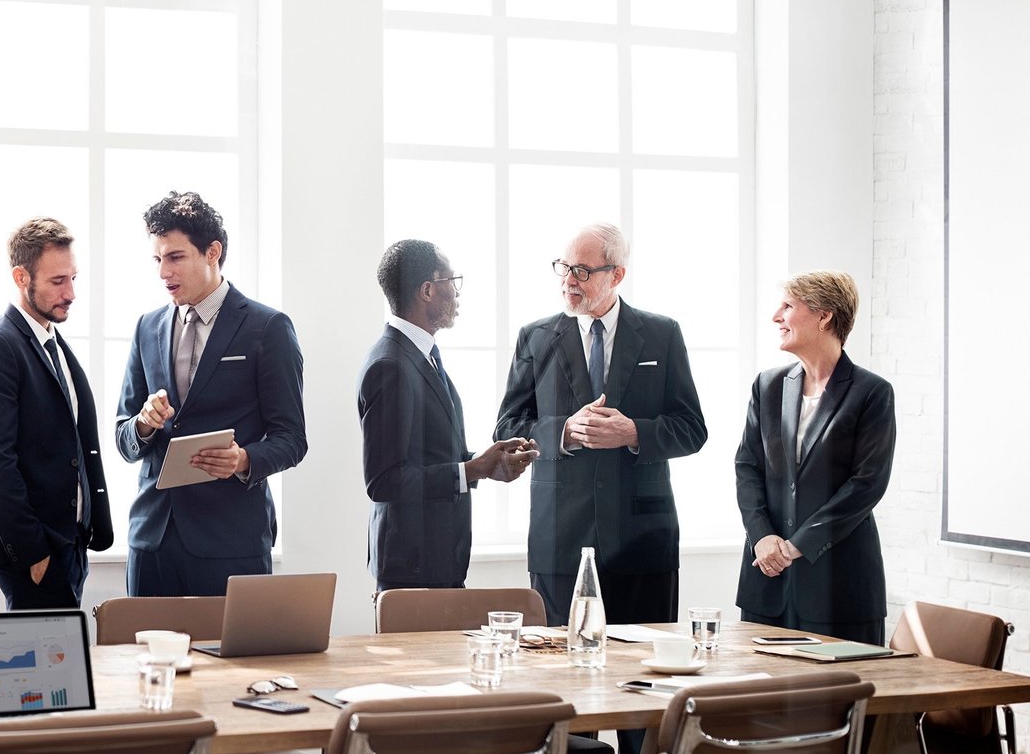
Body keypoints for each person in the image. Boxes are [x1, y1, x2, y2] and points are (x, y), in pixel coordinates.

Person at [494, 223, 707, 627]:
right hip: (559, 539)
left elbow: (692, 427)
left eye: (583, 271)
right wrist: (564, 431)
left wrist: (634, 433)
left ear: (617, 274)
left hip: (643, 541)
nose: (569, 281)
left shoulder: (663, 334)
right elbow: (507, 427)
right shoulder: (535, 337)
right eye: (564, 267)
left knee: (644, 674)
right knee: (558, 667)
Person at [115, 191, 308, 597]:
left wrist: (243, 460)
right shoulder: (146, 327)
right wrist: (144, 425)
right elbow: (124, 437)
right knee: (149, 662)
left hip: (230, 541)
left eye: (175, 257)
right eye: (157, 259)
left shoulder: (267, 328)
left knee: (234, 662)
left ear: (212, 252)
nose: (163, 271)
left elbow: (292, 439)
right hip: (152, 540)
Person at [361, 240, 537, 590]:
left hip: (436, 561)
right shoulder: (390, 365)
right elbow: (383, 481)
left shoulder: (422, 355)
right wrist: (472, 469)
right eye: (452, 283)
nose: (457, 295)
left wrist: (486, 465)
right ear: (427, 290)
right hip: (411, 568)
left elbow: (430, 455)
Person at [735, 272, 895, 646]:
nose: (777, 316)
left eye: (788, 306)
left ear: (824, 315)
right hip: (767, 580)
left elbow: (866, 484)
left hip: (840, 589)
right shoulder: (767, 385)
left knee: (838, 701)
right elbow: (747, 467)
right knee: (761, 698)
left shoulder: (872, 393)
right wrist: (762, 537)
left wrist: (797, 545)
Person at [0, 219, 114, 610]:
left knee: (61, 665)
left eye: (74, 278)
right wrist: (32, 551)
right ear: (20, 276)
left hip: (69, 540)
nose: (71, 293)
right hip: (35, 548)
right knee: (38, 668)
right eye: (58, 281)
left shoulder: (52, 340)